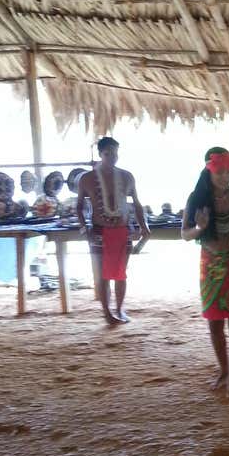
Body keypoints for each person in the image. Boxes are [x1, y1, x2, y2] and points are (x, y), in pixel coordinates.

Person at [181, 147, 229, 397]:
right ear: (208, 170)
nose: (226, 177)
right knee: (214, 323)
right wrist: (200, 228)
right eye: (220, 172)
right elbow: (185, 234)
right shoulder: (197, 198)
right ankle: (224, 370)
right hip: (211, 266)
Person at [76, 136, 150, 325]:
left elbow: (137, 204)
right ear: (100, 154)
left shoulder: (127, 176)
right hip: (99, 231)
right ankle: (107, 313)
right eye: (108, 153)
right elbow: (79, 207)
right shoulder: (87, 178)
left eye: (115, 153)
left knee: (121, 273)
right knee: (102, 275)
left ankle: (119, 309)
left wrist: (144, 226)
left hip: (123, 230)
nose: (112, 157)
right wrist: (84, 228)